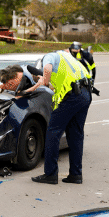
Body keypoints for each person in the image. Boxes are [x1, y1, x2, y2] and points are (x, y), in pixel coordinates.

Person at [23, 48, 92, 185]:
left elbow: (47, 70)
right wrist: (43, 82)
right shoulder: (68, 60)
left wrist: (45, 80)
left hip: (72, 96)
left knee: (52, 132)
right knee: (76, 136)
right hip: (85, 94)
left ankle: (50, 174)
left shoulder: (50, 56)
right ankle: (76, 175)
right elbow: (57, 86)